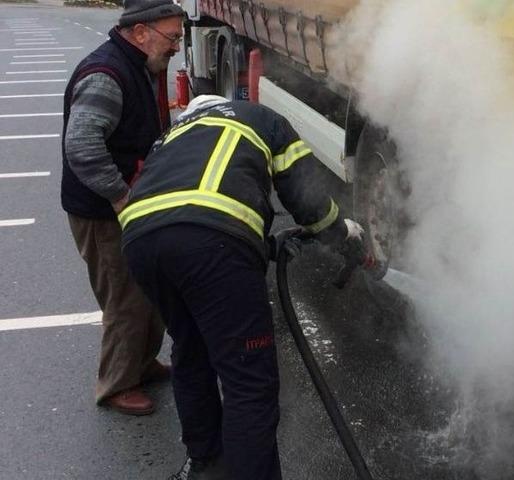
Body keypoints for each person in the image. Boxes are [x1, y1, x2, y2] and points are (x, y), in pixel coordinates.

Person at [120, 95, 368, 480]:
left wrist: (265, 246)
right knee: (249, 383)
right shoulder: (262, 119)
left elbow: (184, 212)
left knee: (191, 349)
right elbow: (308, 201)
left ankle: (205, 465)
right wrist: (342, 234)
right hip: (211, 245)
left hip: (141, 241)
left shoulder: (173, 133)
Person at [61, 0, 185, 415]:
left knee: (147, 289)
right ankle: (116, 385)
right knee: (125, 298)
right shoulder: (106, 75)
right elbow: (82, 145)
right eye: (172, 37)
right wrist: (120, 196)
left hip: (126, 205)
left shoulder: (138, 64)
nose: (177, 46)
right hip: (102, 212)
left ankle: (141, 363)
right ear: (140, 32)